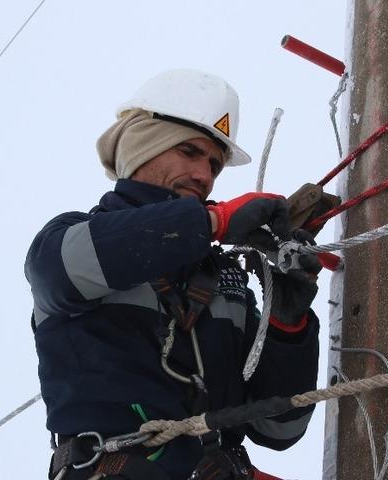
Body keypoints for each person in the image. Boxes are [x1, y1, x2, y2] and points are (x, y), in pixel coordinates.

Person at [25, 69, 320, 480]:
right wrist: (212, 221)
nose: (204, 175)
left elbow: (279, 429)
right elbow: (66, 271)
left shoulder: (226, 283)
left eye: (215, 165)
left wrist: (288, 327)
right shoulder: (65, 244)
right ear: (143, 147)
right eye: (189, 152)